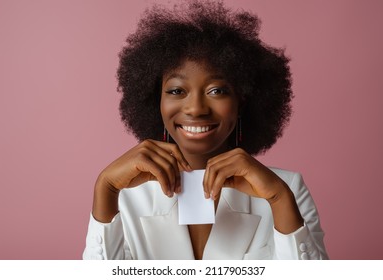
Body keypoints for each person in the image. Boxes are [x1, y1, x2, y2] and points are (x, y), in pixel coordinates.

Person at [83, 0, 328, 260]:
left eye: (216, 91)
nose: (196, 108)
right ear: (156, 101)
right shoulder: (126, 195)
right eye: (177, 91)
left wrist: (279, 200)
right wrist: (105, 190)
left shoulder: (286, 188)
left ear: (241, 101)